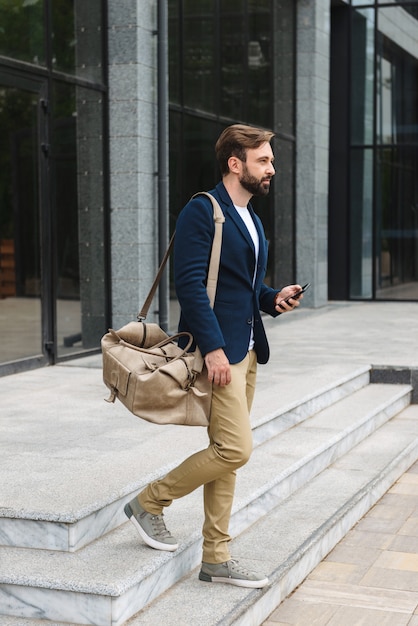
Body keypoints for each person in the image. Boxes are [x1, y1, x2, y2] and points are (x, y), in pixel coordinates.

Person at [124, 124, 303, 588]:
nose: (272, 169)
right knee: (235, 448)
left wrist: (272, 298)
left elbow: (241, 288)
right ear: (235, 163)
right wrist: (214, 350)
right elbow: (189, 284)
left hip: (245, 352)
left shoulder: (252, 220)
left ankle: (216, 558)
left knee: (227, 453)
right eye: (263, 160)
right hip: (219, 353)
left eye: (271, 161)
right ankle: (149, 501)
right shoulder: (202, 211)